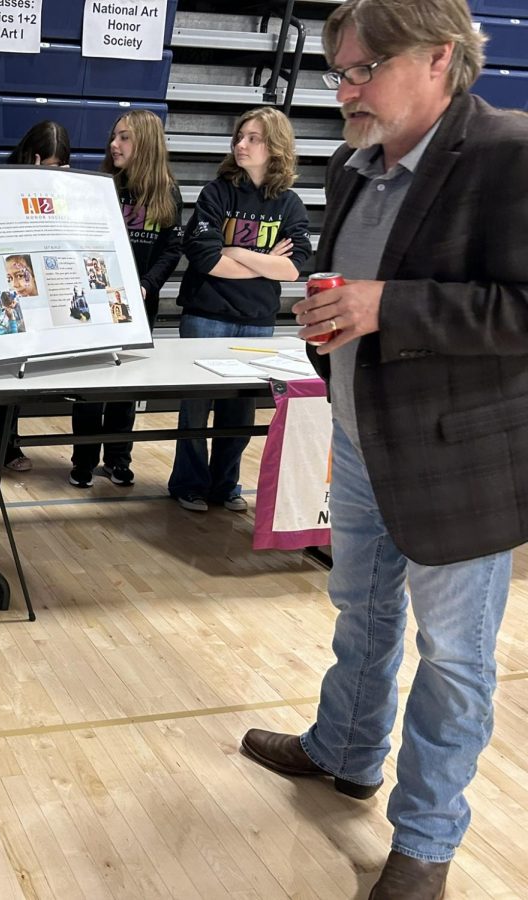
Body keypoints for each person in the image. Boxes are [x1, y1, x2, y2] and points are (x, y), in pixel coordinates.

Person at [240, 3, 528, 896]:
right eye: (341, 74)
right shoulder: (354, 166)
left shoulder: (509, 153)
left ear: (441, 57)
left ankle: (428, 842)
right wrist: (332, 324)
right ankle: (346, 749)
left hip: (458, 467)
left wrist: (384, 307)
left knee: (454, 657)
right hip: (363, 442)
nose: (347, 92)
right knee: (359, 613)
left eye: (365, 71)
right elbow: (351, 289)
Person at [167, 106, 312, 512]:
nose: (241, 144)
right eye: (240, 136)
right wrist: (262, 261)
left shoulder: (289, 204)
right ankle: (189, 484)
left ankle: (225, 485)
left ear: (275, 147)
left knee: (240, 409)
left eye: (253, 138)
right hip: (206, 315)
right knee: (194, 409)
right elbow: (206, 258)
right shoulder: (217, 193)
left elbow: (293, 266)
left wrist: (237, 251)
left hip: (256, 323)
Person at [70, 109, 185, 489]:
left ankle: (118, 458)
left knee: (126, 385)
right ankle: (83, 460)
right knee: (90, 386)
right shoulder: (105, 186)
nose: (114, 144)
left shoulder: (167, 191)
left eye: (124, 138)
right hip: (98, 302)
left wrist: (147, 284)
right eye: (114, 137)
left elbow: (171, 249)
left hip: (139, 305)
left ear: (146, 144)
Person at [0, 121, 72, 483]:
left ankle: (7, 444)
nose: (55, 174)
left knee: (17, 374)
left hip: (26, 288)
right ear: (34, 157)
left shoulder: (58, 187)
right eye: (52, 167)